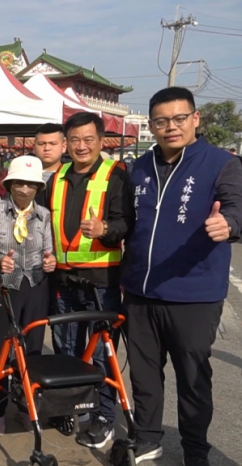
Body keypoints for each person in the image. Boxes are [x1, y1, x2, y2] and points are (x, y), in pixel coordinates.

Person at [120, 87, 242, 466]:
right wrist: (107, 229)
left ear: (195, 119)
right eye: (161, 121)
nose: (170, 127)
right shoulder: (138, 167)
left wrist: (230, 224)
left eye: (178, 119)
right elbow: (127, 220)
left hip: (194, 294)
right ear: (151, 125)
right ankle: (148, 440)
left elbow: (237, 208)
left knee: (192, 379)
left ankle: (195, 451)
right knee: (144, 377)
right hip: (141, 292)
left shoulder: (221, 163)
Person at [48, 111, 134, 449]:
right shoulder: (57, 177)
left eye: (88, 139)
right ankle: (69, 407)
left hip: (102, 281)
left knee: (102, 352)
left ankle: (104, 417)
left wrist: (106, 230)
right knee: (66, 349)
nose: (81, 146)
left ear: (101, 141)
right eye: (74, 140)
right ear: (65, 143)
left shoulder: (116, 176)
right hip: (64, 278)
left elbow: (127, 222)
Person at [0, 156, 56, 435]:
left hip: (35, 286)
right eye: (19, 183)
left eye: (32, 185)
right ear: (10, 184)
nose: (25, 189)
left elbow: (48, 252)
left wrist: (51, 263)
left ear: (38, 188)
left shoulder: (44, 215)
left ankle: (28, 407)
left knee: (32, 348)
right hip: (4, 287)